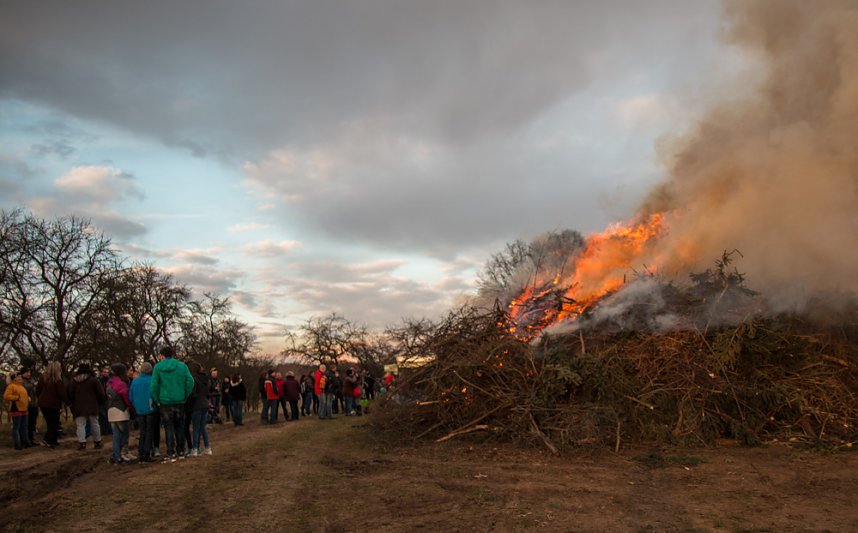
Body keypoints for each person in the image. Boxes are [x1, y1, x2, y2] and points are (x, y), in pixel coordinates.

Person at [150, 346, 194, 463]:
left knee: (168, 427)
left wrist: (157, 398)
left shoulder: (158, 367)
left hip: (165, 401)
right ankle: (181, 450)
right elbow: (190, 381)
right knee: (180, 426)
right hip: (179, 400)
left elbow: (154, 385)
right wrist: (185, 394)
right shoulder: (182, 366)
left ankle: (170, 452)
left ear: (162, 356)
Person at [67, 364, 106, 450]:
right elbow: (101, 393)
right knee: (95, 424)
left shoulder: (73, 381)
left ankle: (82, 443)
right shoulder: (93, 380)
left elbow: (70, 394)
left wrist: (72, 403)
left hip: (78, 407)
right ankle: (97, 442)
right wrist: (100, 402)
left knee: (80, 425)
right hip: (92, 406)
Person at [36, 361, 68, 448]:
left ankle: (53, 440)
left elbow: (38, 390)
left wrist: (41, 398)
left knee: (50, 421)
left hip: (43, 403)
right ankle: (47, 439)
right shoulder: (58, 380)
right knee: (54, 422)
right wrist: (68, 402)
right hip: (53, 404)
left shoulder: (43, 378)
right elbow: (62, 393)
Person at [106, 363, 134, 464]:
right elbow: (126, 399)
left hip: (111, 410)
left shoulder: (109, 383)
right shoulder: (122, 384)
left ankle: (116, 456)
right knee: (125, 435)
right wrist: (132, 408)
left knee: (116, 436)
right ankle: (117, 454)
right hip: (121, 411)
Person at [130, 362, 157, 462]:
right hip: (150, 409)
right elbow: (154, 394)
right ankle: (147, 453)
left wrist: (136, 406)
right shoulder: (151, 381)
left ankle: (141, 452)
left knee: (142, 431)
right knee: (150, 431)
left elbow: (131, 397)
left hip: (139, 410)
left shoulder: (135, 382)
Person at [189, 362, 212, 456]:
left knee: (196, 428)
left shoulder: (194, 380)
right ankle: (207, 448)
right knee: (203, 427)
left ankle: (195, 448)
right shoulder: (205, 380)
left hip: (197, 405)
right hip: (205, 404)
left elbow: (193, 394)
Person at [4, 372, 30, 449]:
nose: (20, 378)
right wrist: (16, 398)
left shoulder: (22, 387)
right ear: (13, 378)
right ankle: (17, 444)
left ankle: (25, 442)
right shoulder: (11, 386)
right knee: (16, 427)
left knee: (24, 426)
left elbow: (23, 396)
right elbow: (6, 396)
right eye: (18, 377)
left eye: (20, 376)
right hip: (16, 408)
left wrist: (27, 398)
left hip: (24, 408)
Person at [19, 368, 39, 445]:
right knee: (25, 424)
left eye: (29, 372)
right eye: (27, 372)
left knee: (32, 423)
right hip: (26, 405)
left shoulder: (31, 379)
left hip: (34, 404)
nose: (28, 374)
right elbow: (24, 388)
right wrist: (33, 385)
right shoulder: (21, 381)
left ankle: (31, 439)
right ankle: (24, 440)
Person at [97, 366, 112, 436]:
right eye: (104, 372)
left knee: (108, 416)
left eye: (107, 372)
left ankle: (109, 430)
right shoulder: (99, 380)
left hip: (108, 400)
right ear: (101, 373)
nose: (106, 373)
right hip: (101, 400)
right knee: (102, 417)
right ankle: (103, 431)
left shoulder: (110, 380)